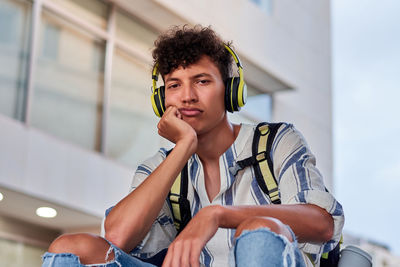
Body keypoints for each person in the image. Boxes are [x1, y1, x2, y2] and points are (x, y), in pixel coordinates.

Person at [42, 25, 344, 267]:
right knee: (69, 248)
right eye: (174, 85)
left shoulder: (277, 141)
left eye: (201, 81)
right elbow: (118, 237)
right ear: (162, 100)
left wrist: (215, 215)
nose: (186, 96)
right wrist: (184, 146)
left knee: (259, 229)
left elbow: (322, 223)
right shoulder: (159, 166)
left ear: (230, 90)